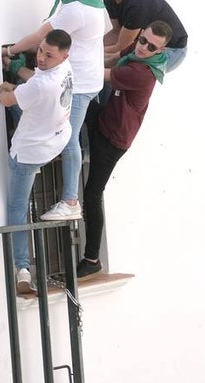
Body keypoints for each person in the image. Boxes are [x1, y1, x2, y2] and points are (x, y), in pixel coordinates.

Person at [77, 21, 171, 279]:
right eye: (143, 40)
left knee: (93, 193)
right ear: (140, 35)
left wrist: (70, 59)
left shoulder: (143, 73)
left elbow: (101, 73)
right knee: (77, 106)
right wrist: (84, 52)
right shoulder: (135, 50)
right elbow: (111, 57)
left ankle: (92, 259)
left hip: (113, 139)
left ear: (160, 51)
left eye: (151, 46)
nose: (143, 47)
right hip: (106, 117)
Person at [5, 0, 107, 223]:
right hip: (85, 79)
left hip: (78, 84)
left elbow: (40, 35)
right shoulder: (94, 5)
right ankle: (40, 168)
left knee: (69, 137)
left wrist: (9, 50)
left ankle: (70, 200)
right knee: (62, 131)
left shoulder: (75, 10)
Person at [0, 29, 74, 295]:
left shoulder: (42, 86)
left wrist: (5, 89)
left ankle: (22, 268)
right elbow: (34, 84)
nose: (41, 58)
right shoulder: (65, 68)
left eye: (48, 55)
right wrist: (19, 77)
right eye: (41, 50)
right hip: (56, 137)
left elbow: (6, 99)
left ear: (63, 55)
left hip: (29, 153)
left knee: (17, 209)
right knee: (25, 105)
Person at [104, 0, 187, 72]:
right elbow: (116, 32)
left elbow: (121, 47)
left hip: (170, 49)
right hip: (146, 42)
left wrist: (95, 51)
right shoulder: (110, 1)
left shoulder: (138, 5)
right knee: (105, 63)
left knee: (124, 73)